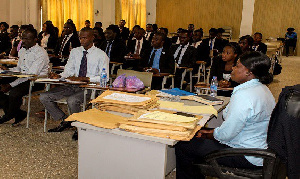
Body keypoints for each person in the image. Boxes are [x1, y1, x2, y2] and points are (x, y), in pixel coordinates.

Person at [175, 51, 275, 179]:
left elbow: (226, 134)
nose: (233, 69)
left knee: (185, 145)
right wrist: (208, 132)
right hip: (258, 150)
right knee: (201, 137)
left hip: (246, 155)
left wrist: (208, 133)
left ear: (248, 72)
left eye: (237, 66)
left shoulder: (244, 95)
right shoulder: (263, 89)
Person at [40, 27, 109, 133]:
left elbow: (105, 77)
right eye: (80, 38)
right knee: (44, 96)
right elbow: (68, 70)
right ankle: (66, 120)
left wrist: (86, 78)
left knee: (72, 100)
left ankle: (79, 128)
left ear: (92, 38)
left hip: (89, 87)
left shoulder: (101, 55)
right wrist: (59, 76)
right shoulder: (75, 52)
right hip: (72, 85)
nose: (82, 40)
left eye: (85, 38)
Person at [0, 28, 49, 126]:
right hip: (22, 77)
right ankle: (18, 113)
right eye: (23, 38)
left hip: (36, 81)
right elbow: (20, 69)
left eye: (28, 39)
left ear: (35, 39)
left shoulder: (40, 53)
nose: (24, 41)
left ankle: (8, 116)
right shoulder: (22, 50)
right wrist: (6, 71)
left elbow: (30, 74)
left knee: (14, 92)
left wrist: (10, 85)